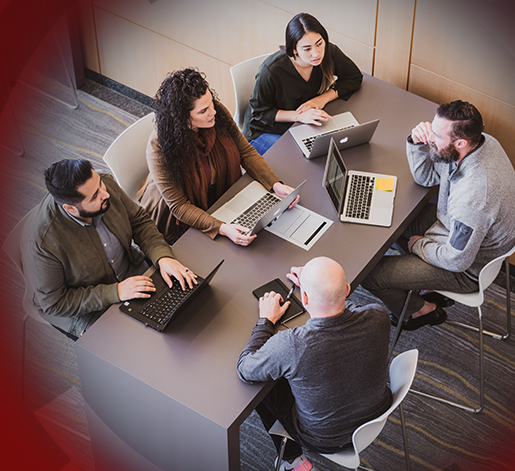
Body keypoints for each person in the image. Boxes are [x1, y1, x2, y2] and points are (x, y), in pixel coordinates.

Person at [360, 100, 515, 330]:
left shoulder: (474, 197)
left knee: (370, 275)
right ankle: (423, 281)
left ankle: (421, 310)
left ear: (460, 142)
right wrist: (416, 143)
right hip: (451, 229)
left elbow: (458, 260)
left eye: (436, 135)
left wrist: (419, 246)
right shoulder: (479, 144)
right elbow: (425, 178)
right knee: (392, 216)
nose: (429, 138)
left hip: (465, 268)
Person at [237, 257, 393, 471]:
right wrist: (324, 289)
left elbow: (246, 370)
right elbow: (349, 308)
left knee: (264, 387)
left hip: (324, 439)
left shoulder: (292, 344)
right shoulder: (379, 315)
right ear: (347, 289)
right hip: (376, 414)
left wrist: (266, 320)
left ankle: (291, 460)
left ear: (305, 299)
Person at [23, 159, 198, 339]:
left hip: (130, 274)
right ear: (71, 209)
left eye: (100, 184)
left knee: (188, 306)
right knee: (142, 346)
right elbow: (55, 303)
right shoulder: (41, 244)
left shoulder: (105, 185)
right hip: (87, 310)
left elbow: (139, 222)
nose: (105, 194)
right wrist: (115, 292)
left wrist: (162, 257)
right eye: (94, 197)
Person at [138, 68, 298, 245]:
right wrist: (222, 227)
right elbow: (179, 207)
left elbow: (245, 151)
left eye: (211, 102)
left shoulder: (217, 114)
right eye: (203, 111)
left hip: (219, 197)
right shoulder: (159, 147)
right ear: (182, 118)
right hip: (180, 222)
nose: (212, 112)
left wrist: (275, 184)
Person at [243, 12, 364, 154]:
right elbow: (260, 113)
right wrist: (298, 116)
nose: (316, 54)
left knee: (335, 150)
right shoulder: (270, 71)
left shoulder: (328, 52)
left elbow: (354, 77)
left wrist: (322, 99)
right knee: (301, 162)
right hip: (266, 131)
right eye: (307, 49)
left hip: (301, 125)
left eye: (319, 43)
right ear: (293, 49)